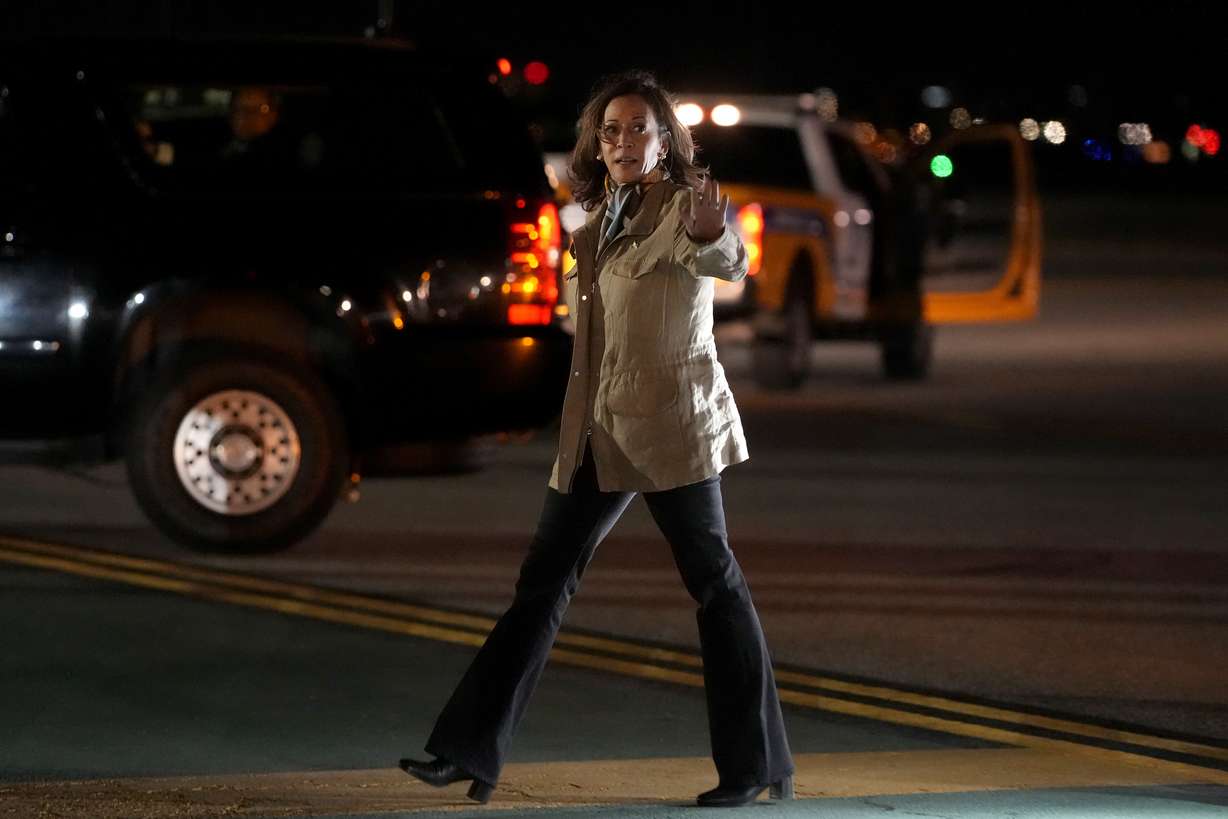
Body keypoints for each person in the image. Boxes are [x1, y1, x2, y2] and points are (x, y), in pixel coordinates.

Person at [398, 69, 795, 809]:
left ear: (664, 139)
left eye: (638, 127)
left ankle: (756, 762)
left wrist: (717, 238)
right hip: (597, 432)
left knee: (714, 583)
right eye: (610, 130)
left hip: (673, 425)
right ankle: (467, 750)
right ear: (596, 143)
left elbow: (725, 257)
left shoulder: (684, 209)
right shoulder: (592, 227)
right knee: (541, 582)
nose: (622, 141)